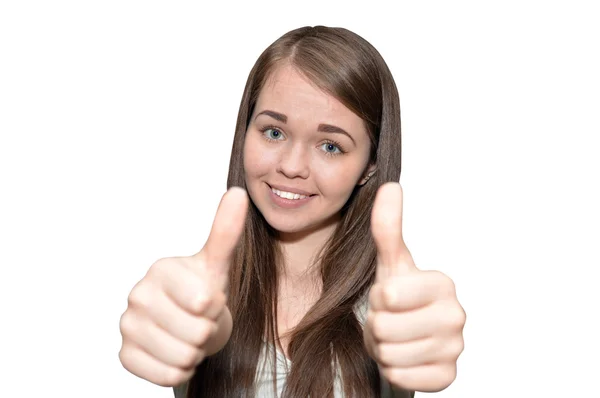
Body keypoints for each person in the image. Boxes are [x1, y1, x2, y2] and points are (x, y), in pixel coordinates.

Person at [118, 25, 466, 398]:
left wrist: (417, 341)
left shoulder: (395, 305)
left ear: (370, 165)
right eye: (274, 133)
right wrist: (182, 327)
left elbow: (415, 331)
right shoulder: (196, 292)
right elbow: (198, 321)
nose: (292, 166)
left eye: (330, 146)